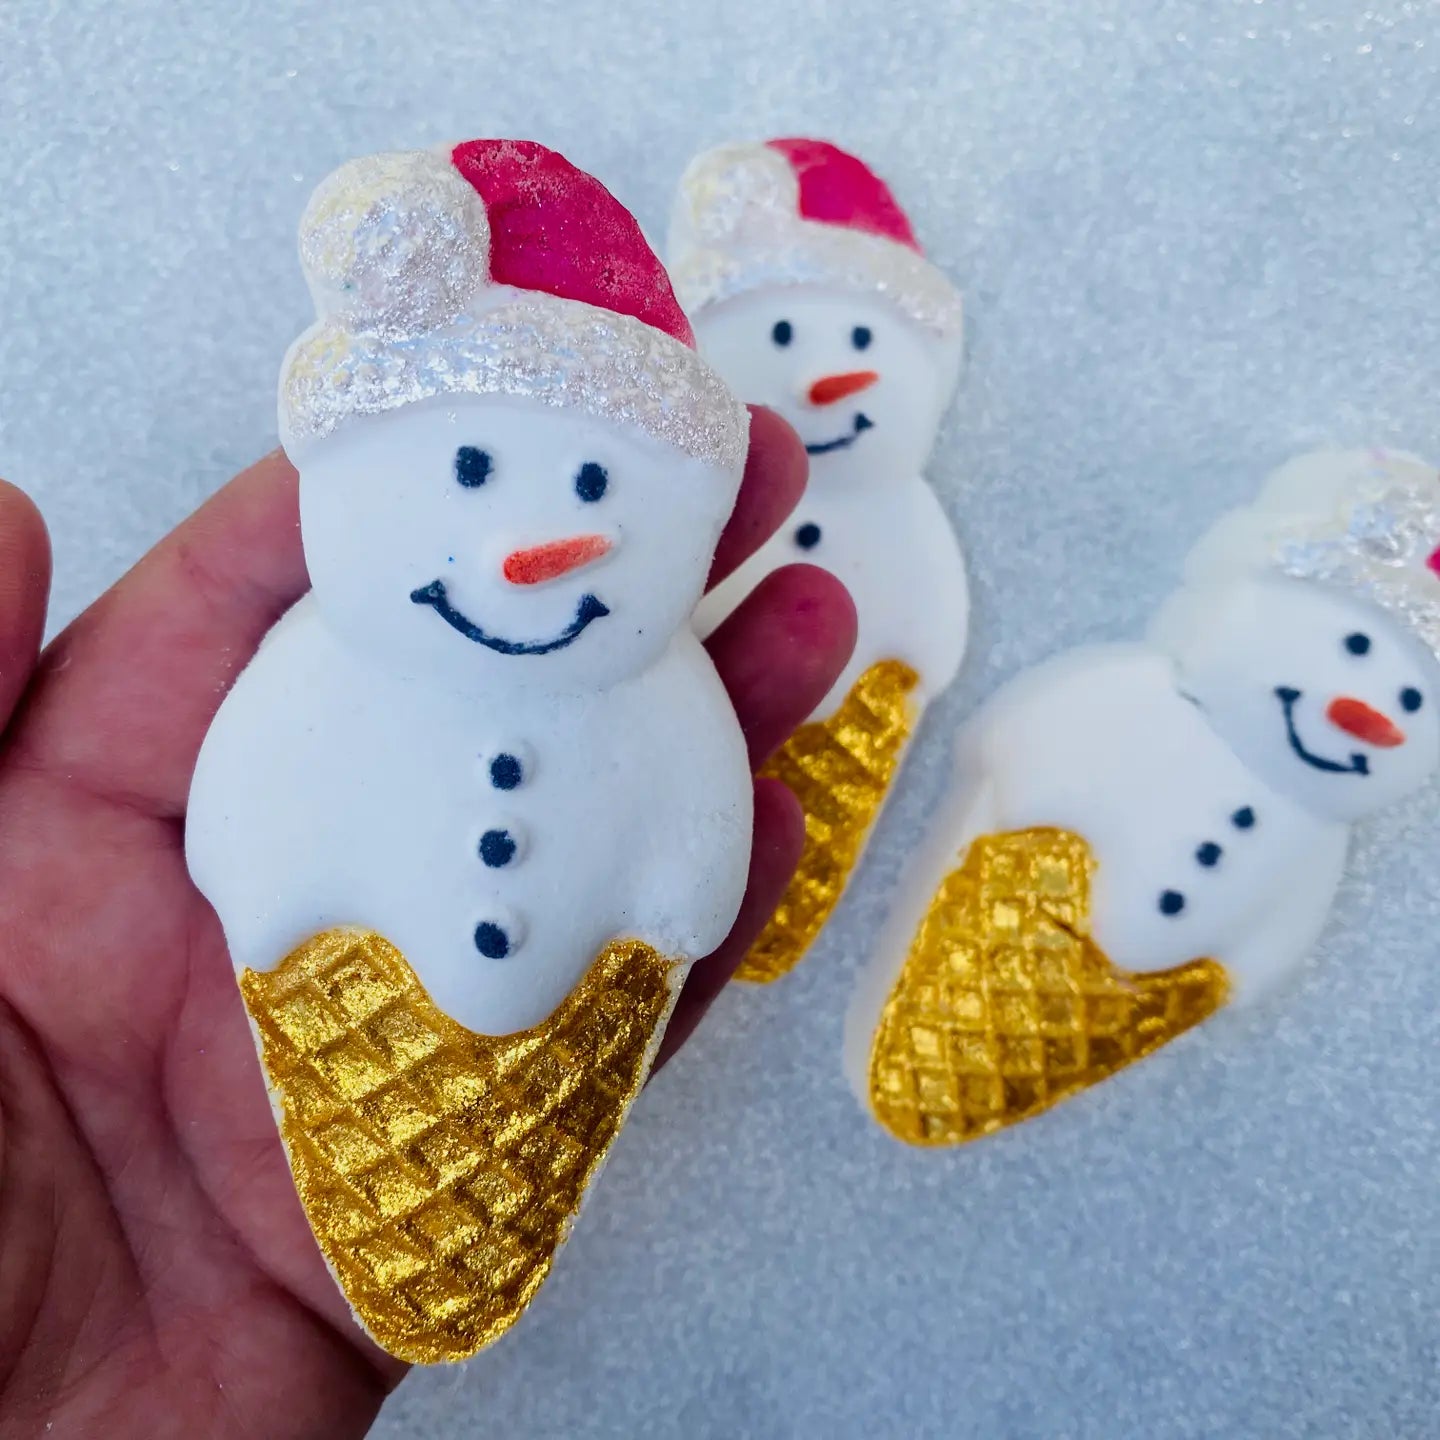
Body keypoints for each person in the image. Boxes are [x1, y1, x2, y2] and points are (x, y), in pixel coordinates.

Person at [0, 411, 854, 1437]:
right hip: (331, 942)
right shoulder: (316, 663)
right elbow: (242, 806)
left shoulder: (669, 697)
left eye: (595, 485)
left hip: (587, 970)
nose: (537, 549)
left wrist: (677, 900)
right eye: (472, 471)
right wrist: (266, 896)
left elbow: (699, 847)